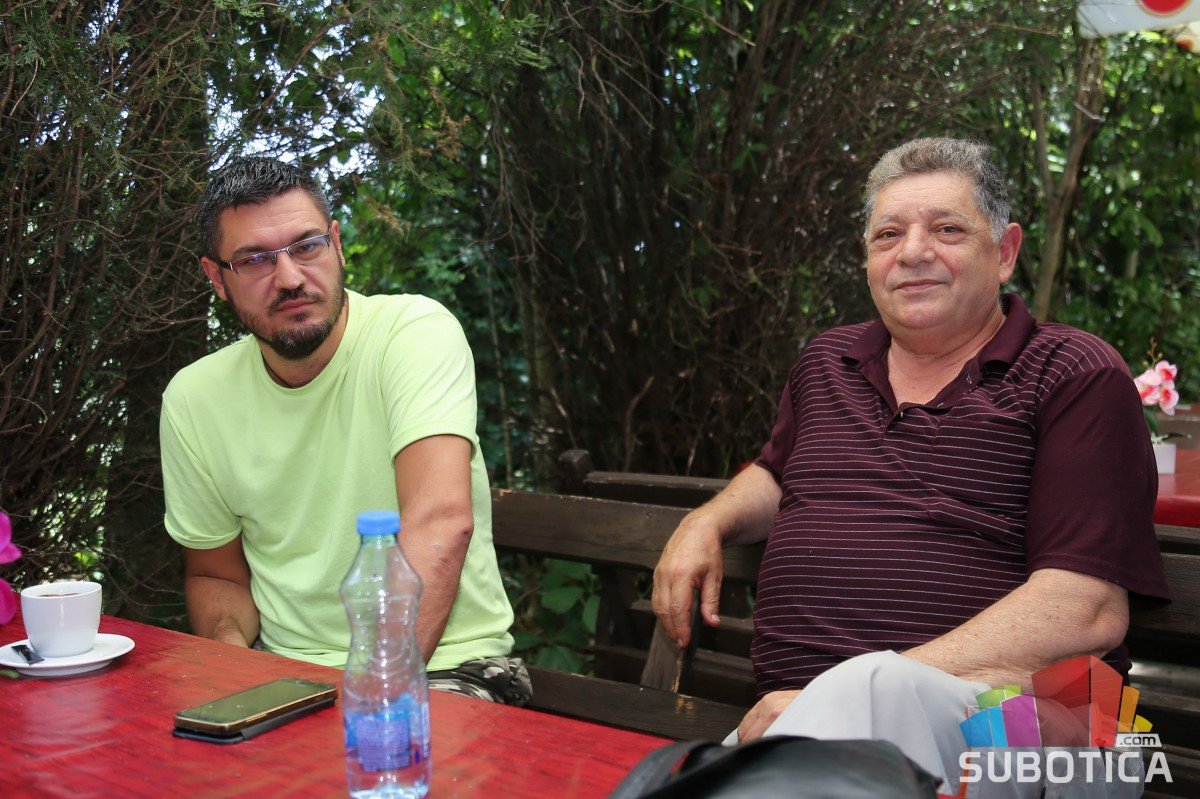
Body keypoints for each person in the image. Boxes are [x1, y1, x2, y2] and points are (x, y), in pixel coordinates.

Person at [652, 138, 1170, 795]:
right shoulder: (827, 363)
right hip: (809, 728)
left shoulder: (1073, 372)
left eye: (947, 229)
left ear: (1005, 252)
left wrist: (839, 698)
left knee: (872, 693)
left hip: (1043, 721)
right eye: (888, 234)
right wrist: (707, 521)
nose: (913, 252)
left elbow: (1086, 610)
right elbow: (777, 475)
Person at [160, 157, 528, 705]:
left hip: (444, 668)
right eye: (255, 260)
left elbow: (440, 523)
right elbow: (218, 577)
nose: (289, 278)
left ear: (336, 244)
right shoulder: (194, 398)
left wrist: (368, 701)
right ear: (217, 278)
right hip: (283, 676)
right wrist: (233, 664)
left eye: (307, 246)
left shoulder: (413, 334)